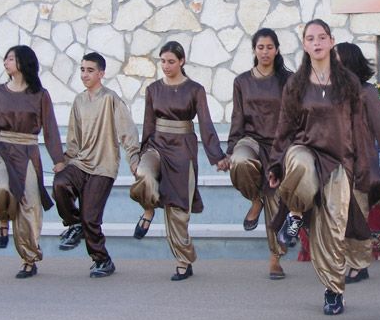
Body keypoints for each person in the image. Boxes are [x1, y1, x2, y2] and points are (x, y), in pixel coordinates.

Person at [268, 19, 371, 315]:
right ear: (304, 45)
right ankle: (295, 214)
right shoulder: (296, 84)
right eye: (311, 38)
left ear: (331, 41)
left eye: (322, 37)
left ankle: (333, 290)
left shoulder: (348, 83)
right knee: (300, 163)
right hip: (305, 150)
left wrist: (362, 167)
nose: (317, 42)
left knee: (333, 229)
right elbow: (284, 127)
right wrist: (276, 165)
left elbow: (359, 127)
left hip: (338, 162)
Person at [130, 41, 228, 281]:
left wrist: (217, 156)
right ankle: (149, 209)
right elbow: (148, 124)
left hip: (183, 149)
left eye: (171, 61)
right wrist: (142, 153)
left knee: (178, 209)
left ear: (182, 61)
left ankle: (184, 261)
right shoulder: (153, 89)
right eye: (162, 61)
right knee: (143, 173)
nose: (166, 66)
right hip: (156, 145)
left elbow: (205, 124)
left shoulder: (195, 89)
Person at [0, 45, 65, 279]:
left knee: (30, 204)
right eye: (5, 58)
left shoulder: (40, 94)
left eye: (10, 58)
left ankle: (28, 259)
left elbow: (50, 128)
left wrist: (58, 159)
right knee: (1, 189)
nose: (5, 62)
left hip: (28, 151)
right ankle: (3, 219)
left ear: (23, 62)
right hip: (3, 150)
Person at [53, 52, 140, 278]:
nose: (85, 74)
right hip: (80, 163)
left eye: (90, 70)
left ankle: (102, 260)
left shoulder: (111, 99)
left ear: (101, 73)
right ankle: (74, 224)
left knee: (90, 217)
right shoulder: (79, 101)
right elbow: (74, 139)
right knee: (60, 183)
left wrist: (134, 160)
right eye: (82, 70)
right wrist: (64, 161)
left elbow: (128, 131)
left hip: (104, 167)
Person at [221, 29, 292, 280]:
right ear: (254, 50)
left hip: (279, 145)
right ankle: (255, 199)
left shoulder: (288, 80)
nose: (265, 52)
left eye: (269, 47)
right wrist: (230, 150)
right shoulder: (242, 81)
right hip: (251, 140)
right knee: (239, 161)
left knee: (276, 200)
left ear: (277, 49)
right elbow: (237, 117)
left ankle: (275, 259)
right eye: (260, 47)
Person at [335, 42, 380, 284]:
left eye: (336, 58)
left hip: (361, 164)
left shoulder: (366, 92)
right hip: (335, 164)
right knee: (339, 216)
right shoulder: (329, 92)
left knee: (357, 216)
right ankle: (345, 261)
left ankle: (360, 266)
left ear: (348, 61)